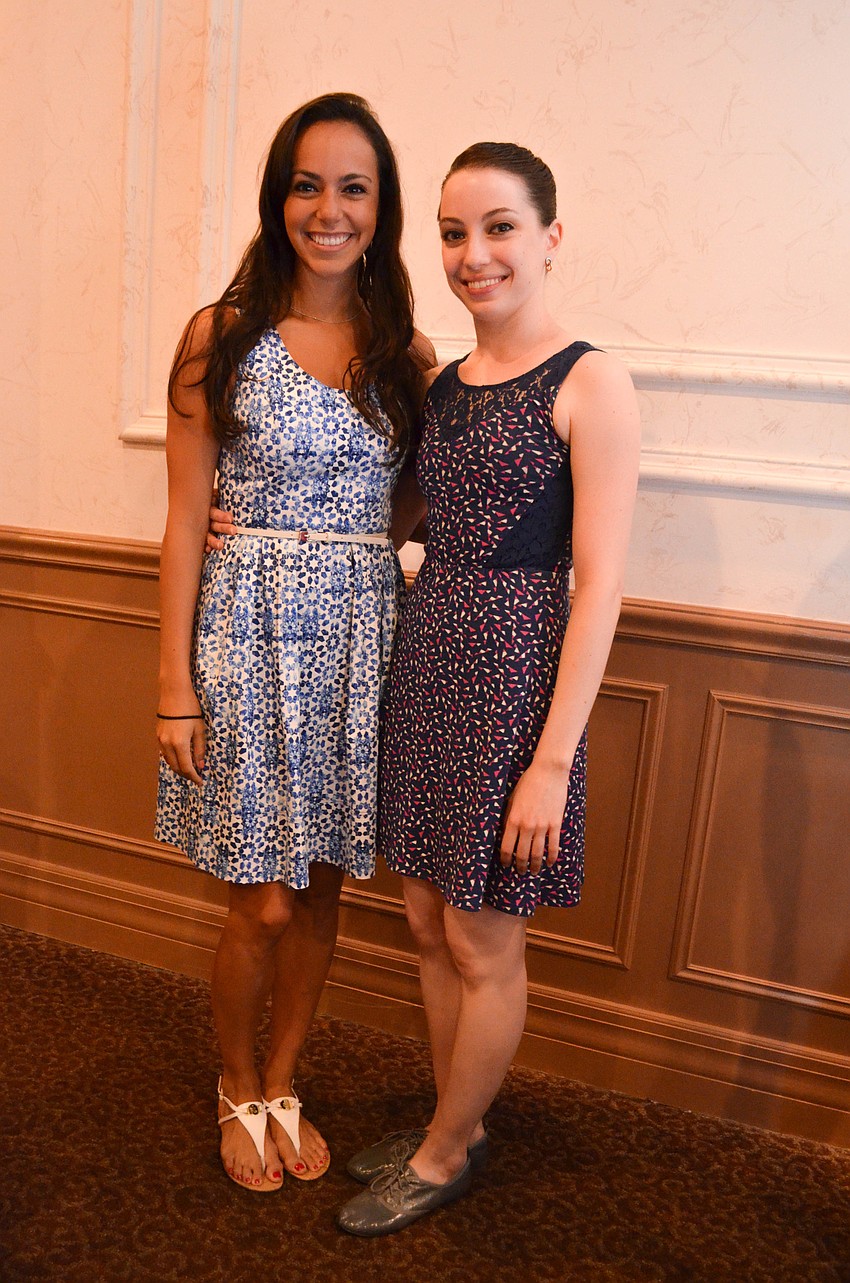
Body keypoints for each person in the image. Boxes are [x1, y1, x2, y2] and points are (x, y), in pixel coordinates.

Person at [335, 142, 641, 1235]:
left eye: (500, 226)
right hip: (429, 655)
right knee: (425, 919)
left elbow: (599, 584)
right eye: (456, 233)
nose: (475, 254)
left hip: (517, 678)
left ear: (550, 236)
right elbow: (387, 519)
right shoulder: (442, 387)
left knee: (483, 934)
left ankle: (449, 1144)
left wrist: (552, 761)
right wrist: (257, 524)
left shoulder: (590, 379)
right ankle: (448, 1113)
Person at [155, 91, 431, 1193]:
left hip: (361, 634)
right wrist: (171, 684)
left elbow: (410, 500)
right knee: (257, 895)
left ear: (380, 207)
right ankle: (232, 1082)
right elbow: (181, 517)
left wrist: (342, 542)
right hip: (246, 632)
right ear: (279, 198)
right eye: (308, 183)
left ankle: (283, 1079)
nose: (329, 208)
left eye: (353, 187)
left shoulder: (404, 348)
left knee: (320, 890)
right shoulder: (220, 337)